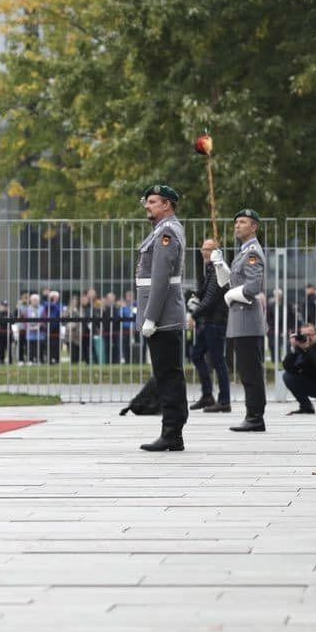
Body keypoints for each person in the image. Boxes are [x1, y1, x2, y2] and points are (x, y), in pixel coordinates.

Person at [134, 184, 187, 451]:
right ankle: (172, 433)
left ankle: (171, 432)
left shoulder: (167, 231)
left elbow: (161, 279)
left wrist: (151, 317)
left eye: (153, 202)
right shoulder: (162, 231)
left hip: (163, 317)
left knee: (168, 375)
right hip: (162, 316)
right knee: (167, 373)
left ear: (166, 205)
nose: (147, 206)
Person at [224, 208, 268, 432]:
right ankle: (253, 415)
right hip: (240, 320)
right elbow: (236, 279)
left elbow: (252, 287)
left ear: (254, 227)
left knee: (250, 370)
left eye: (243, 222)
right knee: (246, 369)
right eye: (236, 222)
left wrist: (233, 294)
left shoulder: (253, 252)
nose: (237, 225)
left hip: (247, 319)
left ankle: (255, 417)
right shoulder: (243, 252)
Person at [187, 238, 232, 412]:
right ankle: (207, 395)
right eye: (203, 248)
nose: (205, 252)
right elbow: (205, 292)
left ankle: (224, 401)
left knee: (218, 361)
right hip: (208, 322)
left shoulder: (219, 270)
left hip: (216, 322)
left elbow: (212, 298)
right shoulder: (210, 269)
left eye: (209, 249)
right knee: (197, 354)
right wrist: (194, 295)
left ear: (216, 252)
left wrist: (194, 314)